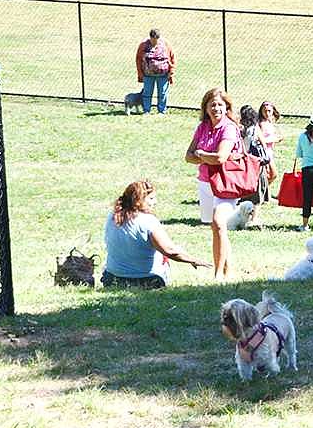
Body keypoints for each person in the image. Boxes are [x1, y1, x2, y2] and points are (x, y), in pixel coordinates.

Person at [102, 180, 210, 288]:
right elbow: (170, 251)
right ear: (138, 201)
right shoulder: (148, 221)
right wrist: (193, 260)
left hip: (112, 279)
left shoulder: (113, 215)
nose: (155, 202)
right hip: (147, 280)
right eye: (151, 199)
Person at [184, 88, 241, 280]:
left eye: (220, 105)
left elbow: (221, 157)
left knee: (219, 223)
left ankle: (218, 274)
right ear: (206, 108)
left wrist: (201, 154)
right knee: (217, 228)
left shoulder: (229, 128)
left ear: (227, 108)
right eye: (212, 105)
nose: (216, 108)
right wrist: (204, 157)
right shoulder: (203, 127)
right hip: (206, 182)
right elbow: (187, 156)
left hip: (226, 183)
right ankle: (229, 269)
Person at [238, 104, 270, 224]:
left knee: (244, 190)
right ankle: (254, 218)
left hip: (243, 162)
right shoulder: (255, 128)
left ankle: (242, 216)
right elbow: (263, 144)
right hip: (256, 163)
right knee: (257, 191)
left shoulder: (239, 129)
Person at [135, 28, 176, 114]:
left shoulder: (165, 44)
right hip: (147, 75)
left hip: (163, 75)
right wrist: (140, 72)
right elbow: (138, 59)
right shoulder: (143, 45)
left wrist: (171, 72)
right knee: (147, 94)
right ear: (150, 37)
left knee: (162, 94)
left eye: (156, 40)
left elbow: (172, 58)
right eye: (152, 40)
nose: (154, 42)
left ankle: (162, 111)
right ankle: (146, 110)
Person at [257, 101, 282, 187]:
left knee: (270, 175)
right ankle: (263, 190)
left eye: (269, 111)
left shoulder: (270, 122)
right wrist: (274, 139)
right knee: (273, 174)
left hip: (270, 152)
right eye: (265, 111)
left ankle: (264, 190)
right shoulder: (262, 124)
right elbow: (259, 140)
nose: (267, 113)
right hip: (264, 152)